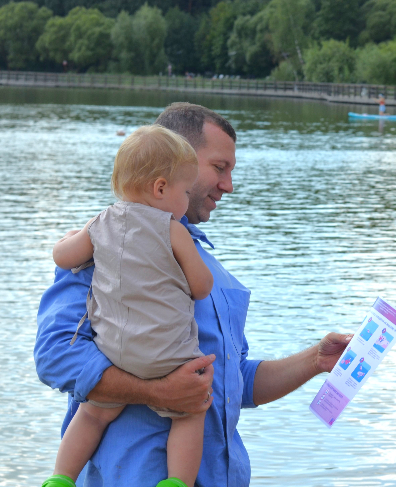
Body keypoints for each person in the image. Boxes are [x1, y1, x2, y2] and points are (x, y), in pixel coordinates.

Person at [35, 102, 353, 486]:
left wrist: (315, 360)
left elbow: (231, 382)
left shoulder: (211, 268)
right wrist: (158, 390)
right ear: (171, 165)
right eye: (219, 168)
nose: (229, 185)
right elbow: (55, 356)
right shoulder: (104, 248)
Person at [42, 126, 213, 487]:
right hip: (166, 354)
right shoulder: (173, 229)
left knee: (91, 416)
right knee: (189, 413)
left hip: (114, 353)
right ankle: (177, 482)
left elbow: (61, 257)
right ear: (161, 188)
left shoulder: (101, 222)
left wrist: (71, 237)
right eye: (185, 191)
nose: (185, 201)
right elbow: (201, 288)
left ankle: (60, 478)